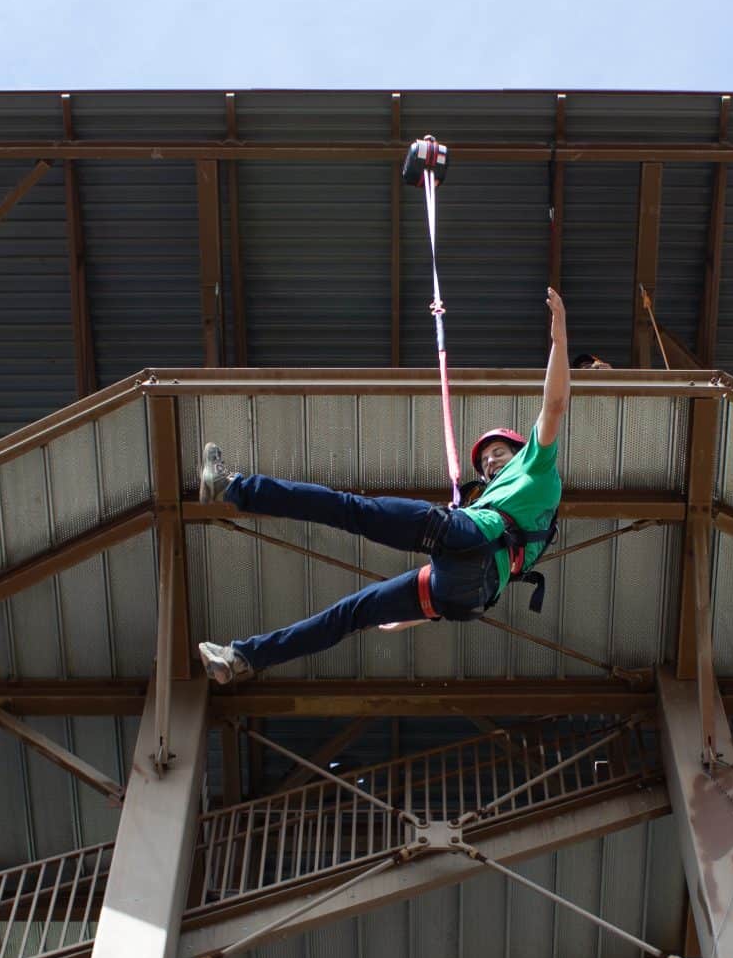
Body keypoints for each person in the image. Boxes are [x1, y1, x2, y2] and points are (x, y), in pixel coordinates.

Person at [196, 288, 570, 683]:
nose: (490, 461)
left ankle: (232, 487)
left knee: (350, 509)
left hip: (465, 547)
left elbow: (554, 404)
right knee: (353, 613)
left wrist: (559, 342)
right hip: (466, 592)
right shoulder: (508, 515)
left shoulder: (536, 465)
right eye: (484, 460)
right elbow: (477, 572)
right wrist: (414, 616)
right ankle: (239, 658)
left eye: (497, 452)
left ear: (519, 449)